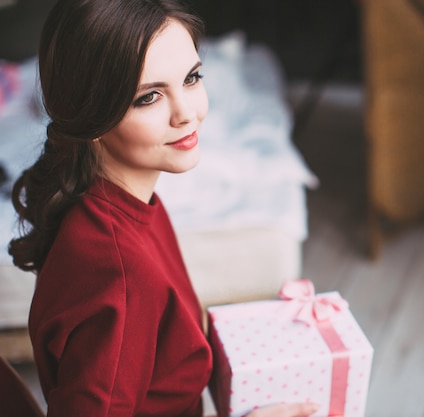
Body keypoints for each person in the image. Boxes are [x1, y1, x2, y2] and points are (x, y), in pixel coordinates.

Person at [8, 1, 321, 416]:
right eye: (149, 97)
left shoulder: (115, 206)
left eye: (192, 78)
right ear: (91, 116)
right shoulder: (116, 271)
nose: (187, 113)